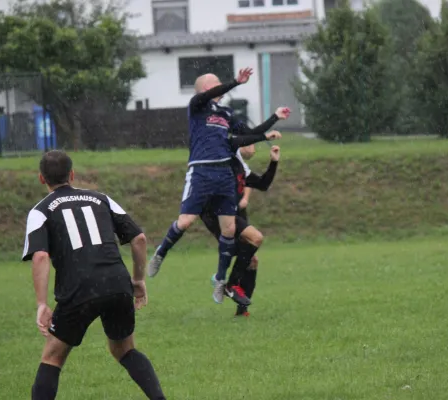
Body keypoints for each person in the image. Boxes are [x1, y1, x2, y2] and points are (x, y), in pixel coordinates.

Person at [22, 150, 166, 400]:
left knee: (53, 356)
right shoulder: (101, 198)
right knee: (125, 349)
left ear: (41, 179)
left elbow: (41, 256)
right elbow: (139, 239)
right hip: (117, 282)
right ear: (73, 174)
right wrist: (138, 280)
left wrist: (42, 304)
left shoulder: (40, 211)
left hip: (79, 288)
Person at [147, 68, 289, 304]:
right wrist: (236, 82)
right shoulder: (197, 106)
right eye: (217, 84)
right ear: (205, 88)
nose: (221, 87)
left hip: (224, 174)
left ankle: (222, 280)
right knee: (186, 221)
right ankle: (160, 254)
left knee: (230, 230)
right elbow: (215, 93)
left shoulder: (225, 113)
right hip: (202, 170)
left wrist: (274, 118)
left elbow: (249, 133)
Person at [200, 142, 281, 313]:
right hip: (216, 213)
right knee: (255, 238)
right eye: (249, 144)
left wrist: (273, 162)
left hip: (232, 212)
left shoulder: (240, 166)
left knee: (252, 260)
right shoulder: (223, 158)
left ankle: (241, 308)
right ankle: (229, 283)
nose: (252, 148)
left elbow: (263, 184)